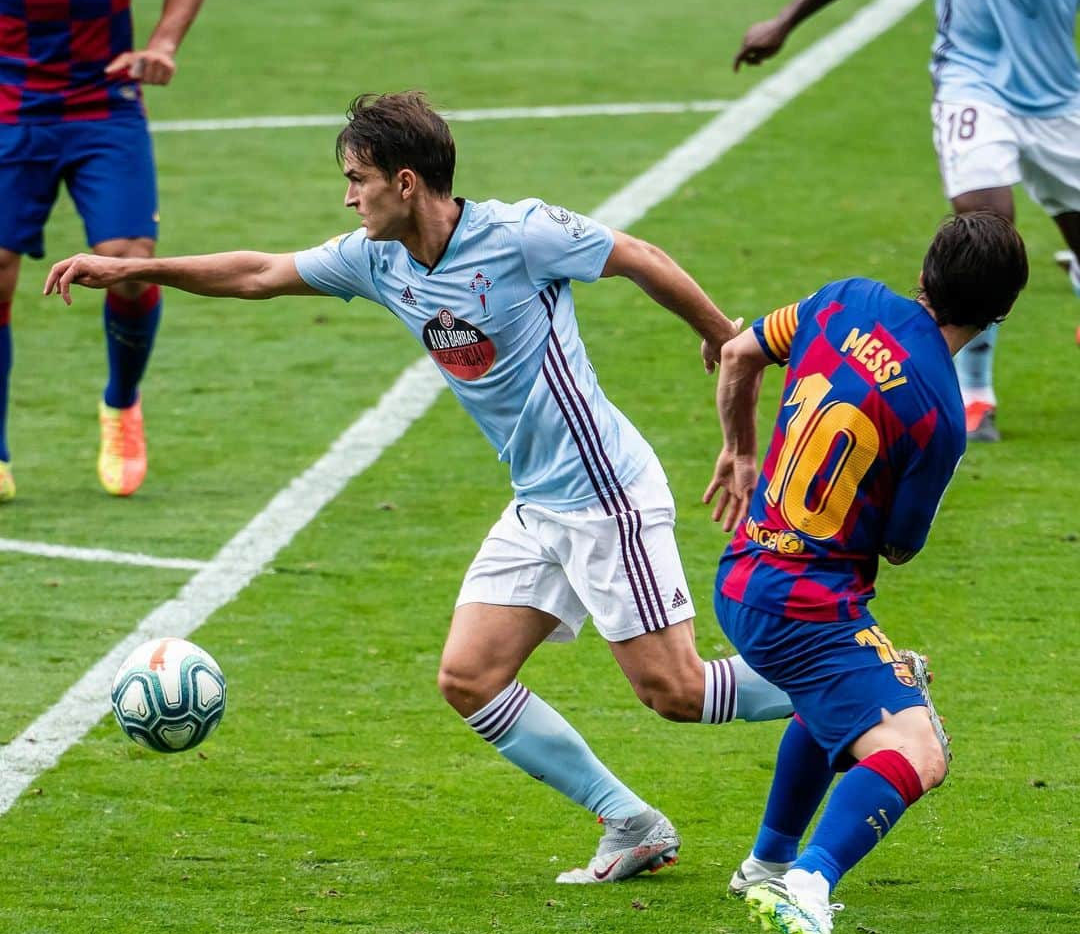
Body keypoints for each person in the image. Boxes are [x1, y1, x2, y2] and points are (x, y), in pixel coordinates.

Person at [45, 90, 799, 883]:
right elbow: (260, 273)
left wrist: (728, 339)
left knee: (675, 692)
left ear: (405, 183)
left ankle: (861, 681)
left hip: (603, 492)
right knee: (469, 679)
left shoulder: (519, 235)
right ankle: (630, 822)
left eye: (356, 178)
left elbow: (639, 256)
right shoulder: (378, 260)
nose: (347, 196)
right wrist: (132, 267)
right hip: (539, 501)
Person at [703, 211, 1028, 934]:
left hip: (743, 571)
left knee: (841, 702)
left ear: (924, 270)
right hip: (803, 607)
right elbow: (899, 546)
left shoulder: (843, 297)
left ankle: (770, 864)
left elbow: (738, 353)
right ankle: (810, 884)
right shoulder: (941, 414)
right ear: (1000, 314)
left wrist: (741, 451)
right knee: (919, 744)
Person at [733, 0, 1079, 442]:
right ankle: (973, 394)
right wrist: (787, 21)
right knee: (986, 229)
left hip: (1060, 97)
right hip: (973, 83)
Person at [0, 0, 213, 501]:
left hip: (103, 101)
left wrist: (164, 42)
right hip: (9, 103)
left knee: (127, 261)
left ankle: (122, 403)